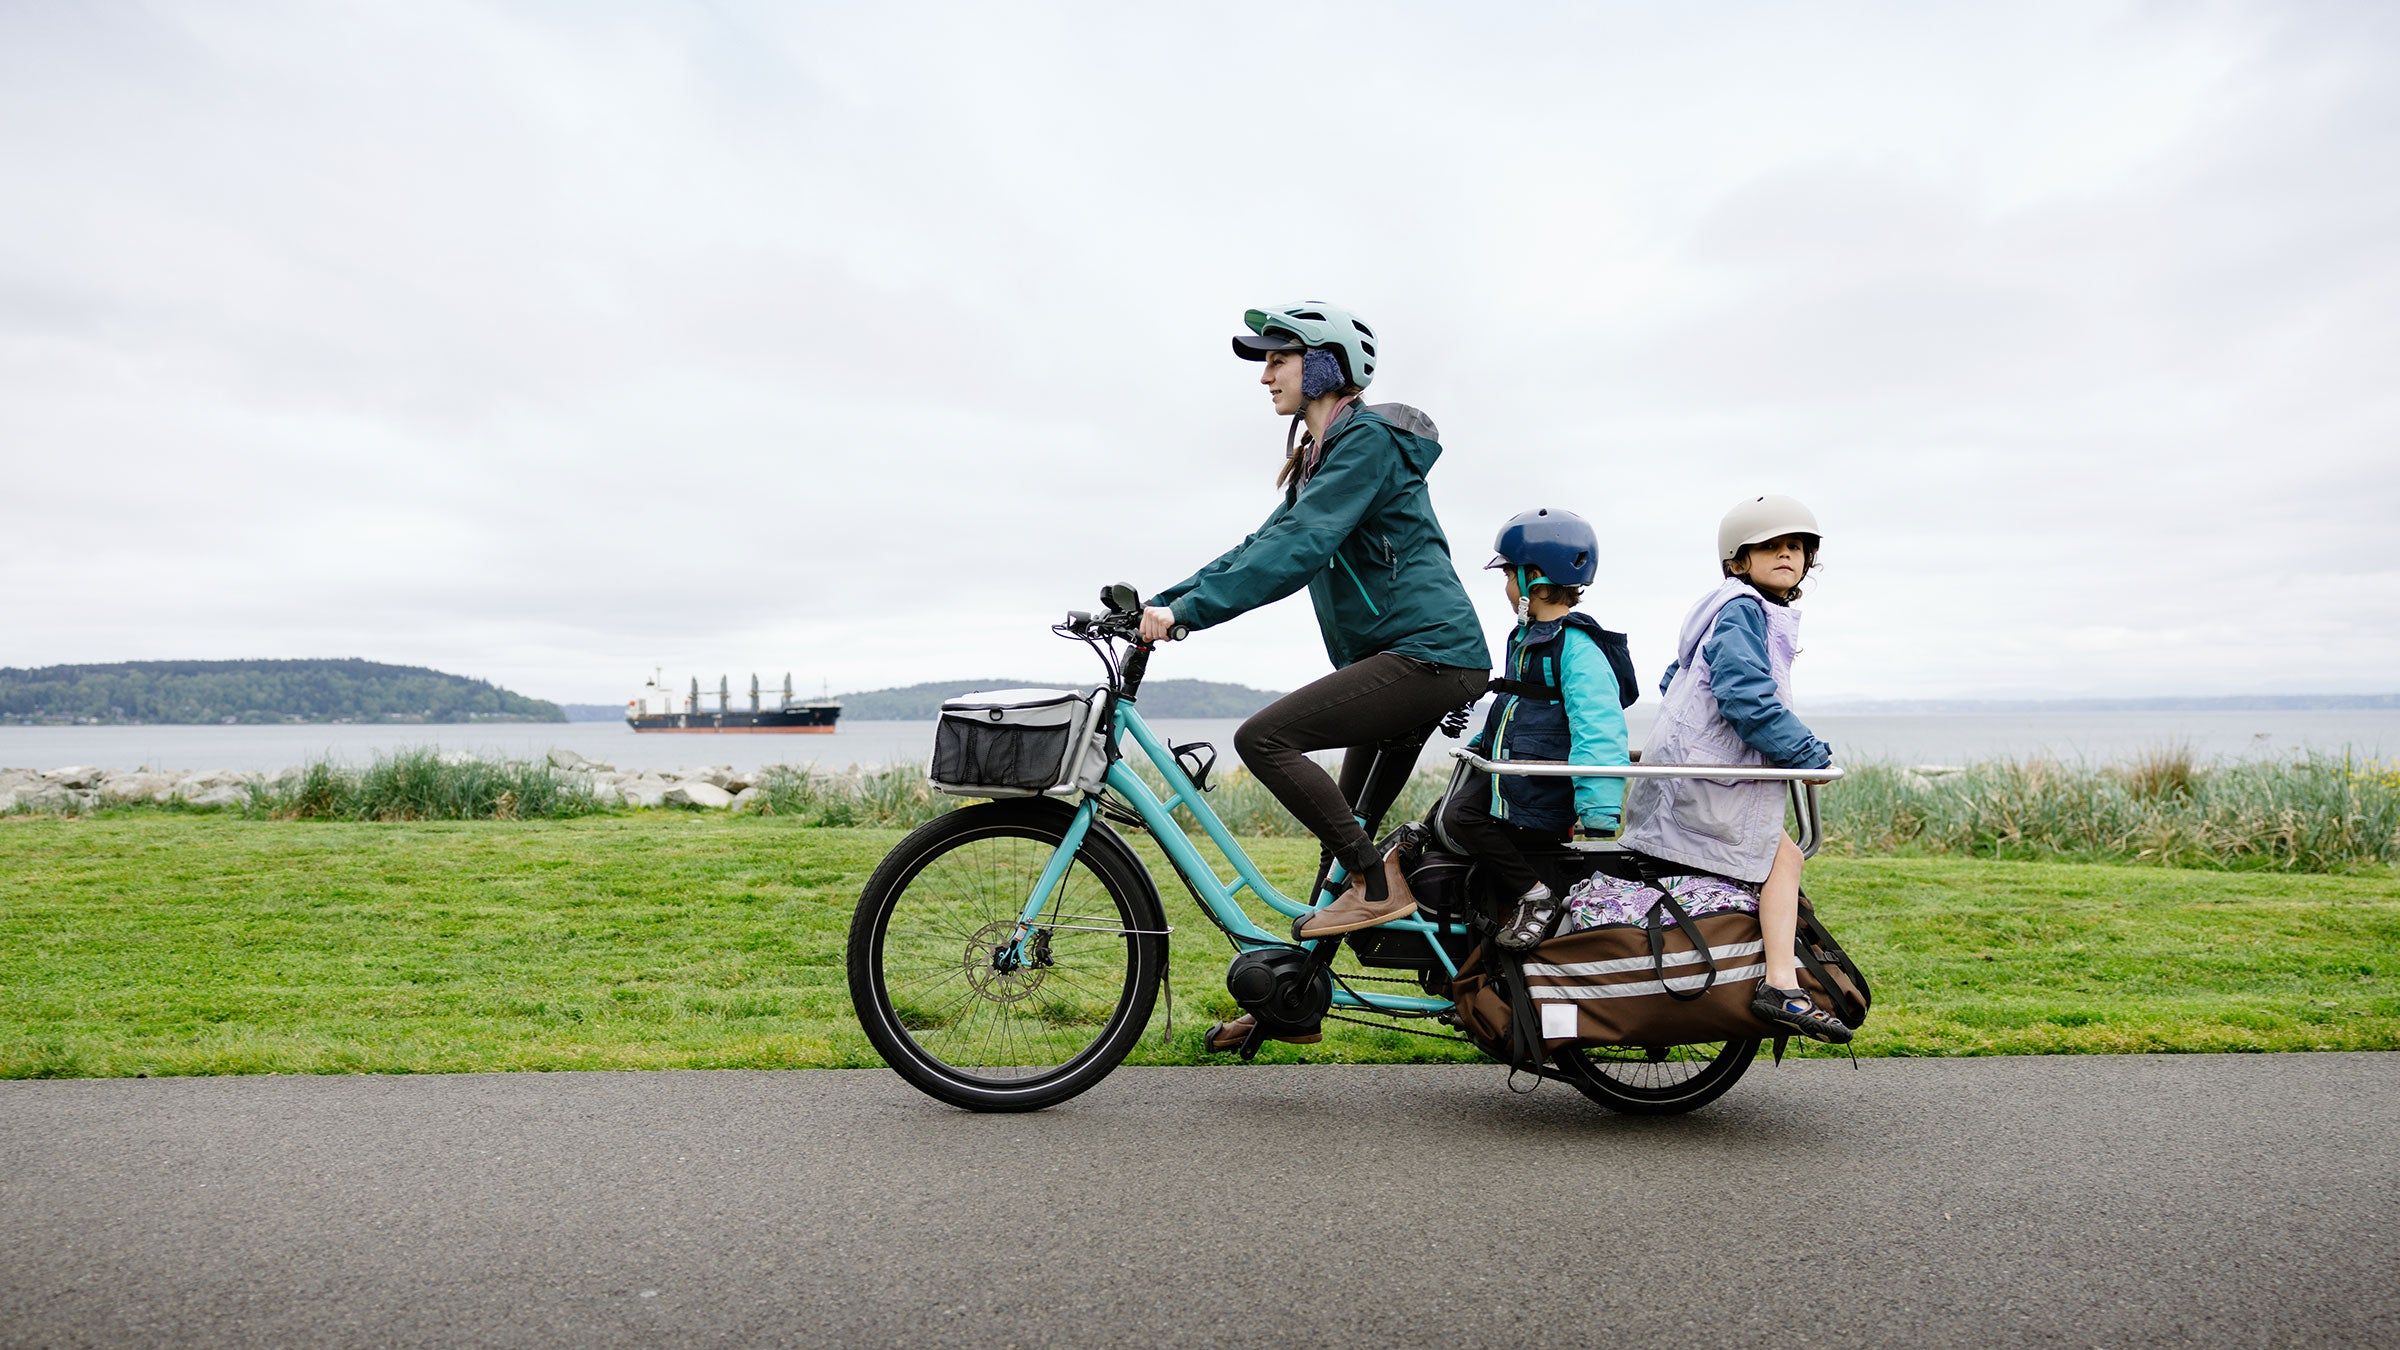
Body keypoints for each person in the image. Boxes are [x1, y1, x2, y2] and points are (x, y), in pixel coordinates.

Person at [1139, 302, 1490, 1053]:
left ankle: (1378, 886)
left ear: (1327, 365)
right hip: (1401, 659)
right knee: (1343, 846)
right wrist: (1164, 603)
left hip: (1431, 654)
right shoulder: (1320, 459)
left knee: (1264, 739)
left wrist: (1189, 614)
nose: (1265, 375)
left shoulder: (1365, 443)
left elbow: (1302, 546)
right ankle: (1294, 1003)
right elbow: (1260, 544)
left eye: (1280, 359)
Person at [1619, 494, 1852, 1043]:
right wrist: (1807, 755)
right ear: (1738, 559)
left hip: (1695, 777)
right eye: (1770, 546)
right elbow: (1746, 697)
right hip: (1706, 783)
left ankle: (1775, 978)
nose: (1786, 554)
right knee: (1784, 859)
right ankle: (1781, 986)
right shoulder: (1743, 610)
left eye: (1795, 547)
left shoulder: (1727, 609)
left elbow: (1676, 679)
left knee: (1780, 858)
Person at [1437, 508, 1633, 950]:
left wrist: (1599, 814)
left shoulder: (1577, 648)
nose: (1506, 585)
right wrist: (1478, 748)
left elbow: (1599, 729)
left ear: (1536, 582)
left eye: (1510, 574)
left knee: (1460, 817)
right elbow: (1514, 709)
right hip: (1515, 778)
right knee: (1441, 815)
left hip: (1539, 790)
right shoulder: (1527, 638)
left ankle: (1536, 896)